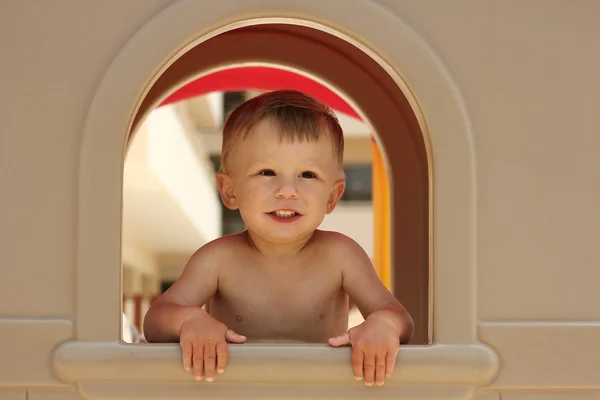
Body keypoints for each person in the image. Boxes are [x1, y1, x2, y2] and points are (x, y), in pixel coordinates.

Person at [143, 89, 414, 387]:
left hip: (317, 393)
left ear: (332, 197)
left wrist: (381, 325)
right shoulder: (218, 259)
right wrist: (189, 321)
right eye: (267, 172)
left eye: (307, 175)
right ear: (230, 191)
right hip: (234, 393)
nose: (287, 190)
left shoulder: (341, 256)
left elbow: (397, 316)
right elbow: (156, 320)